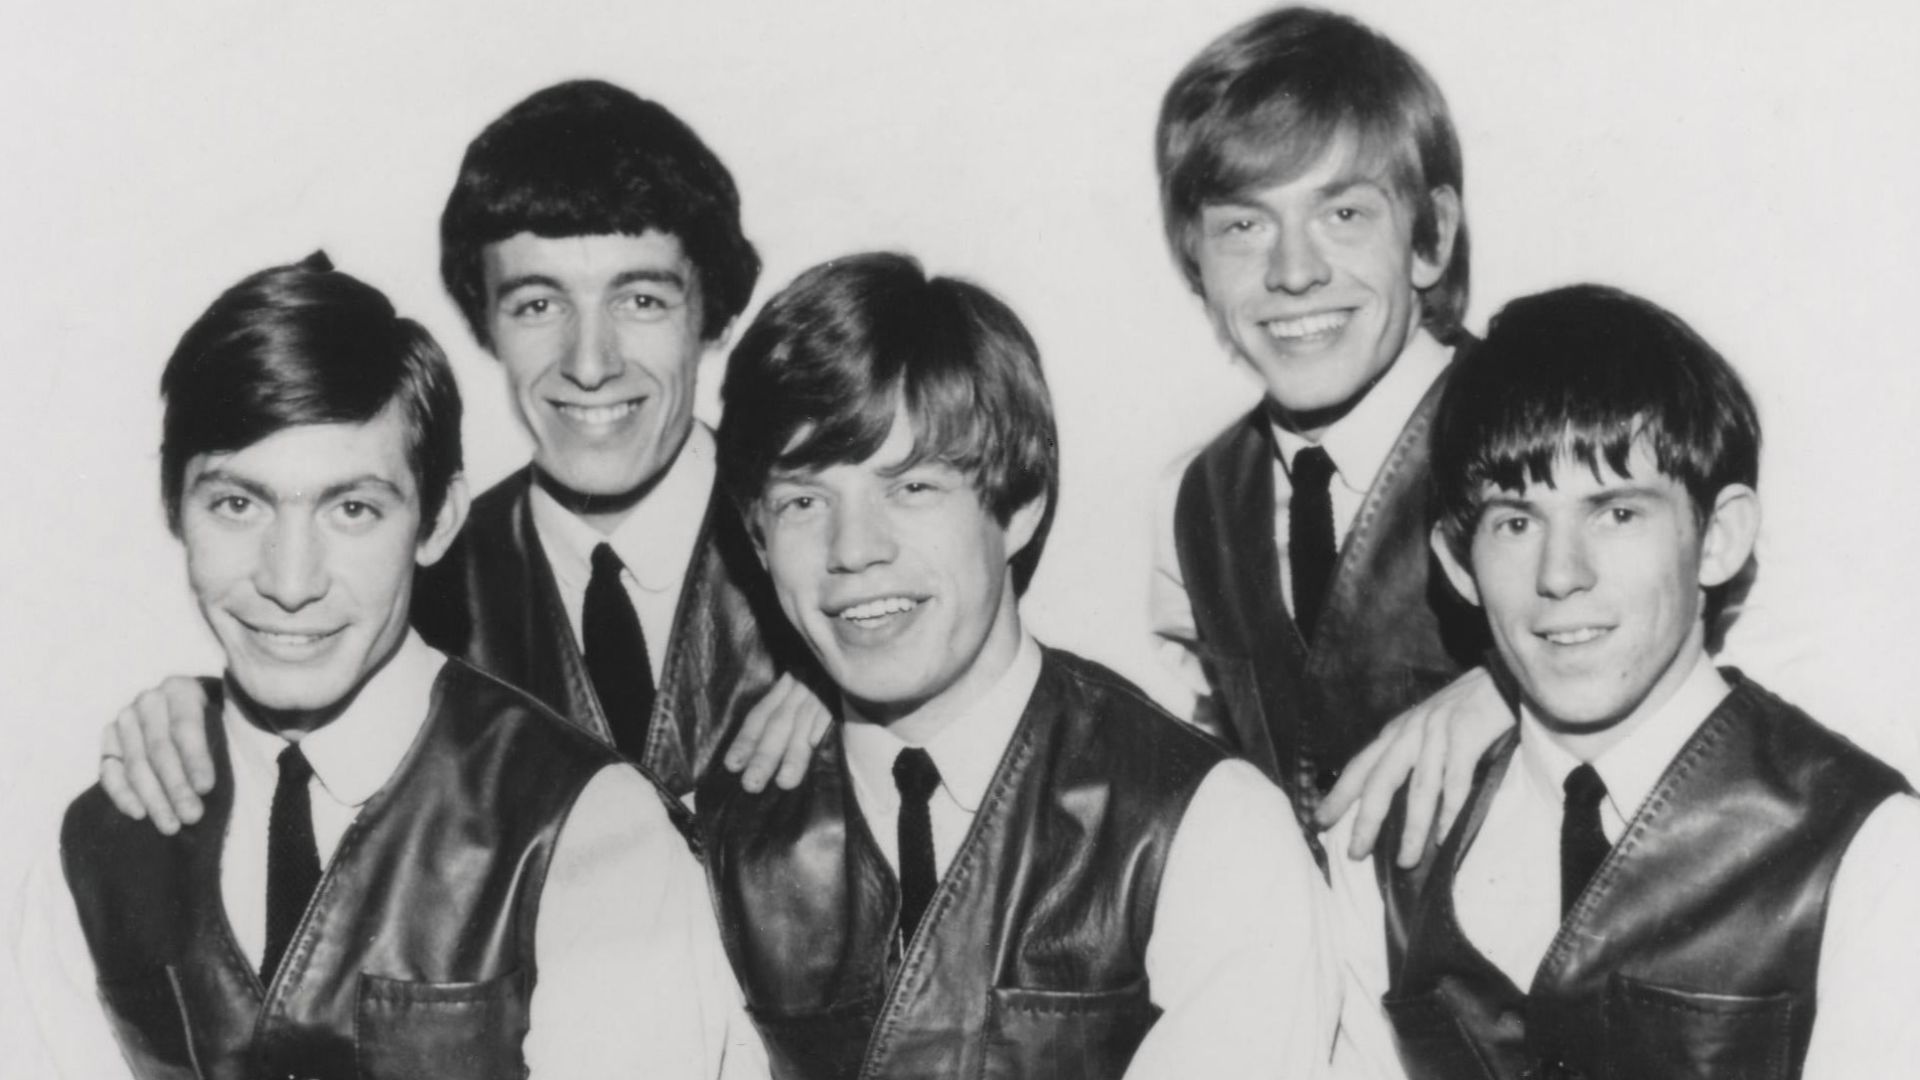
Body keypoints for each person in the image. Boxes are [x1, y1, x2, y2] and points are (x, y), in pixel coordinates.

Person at [22, 255, 764, 1078]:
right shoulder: (93, 846)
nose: (290, 582)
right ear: (174, 507)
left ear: (439, 520)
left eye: (352, 509)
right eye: (237, 504)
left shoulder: (592, 828)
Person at [96, 79, 827, 834]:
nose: (590, 363)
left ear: (714, 315)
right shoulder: (409, 573)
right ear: (485, 322)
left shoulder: (848, 554)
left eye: (641, 300)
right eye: (538, 304)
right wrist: (211, 716)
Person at [700, 253, 1336, 1079]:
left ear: (1020, 505)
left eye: (912, 487)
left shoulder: (1207, 828)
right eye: (802, 502)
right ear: (757, 538)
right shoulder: (717, 846)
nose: (853, 550)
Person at [1326, 285, 1920, 1080]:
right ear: (1459, 566)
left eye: (1617, 514)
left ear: (1718, 537)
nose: (1561, 573)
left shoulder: (1869, 851)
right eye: (1515, 522)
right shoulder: (1385, 841)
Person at [1148, 6, 1490, 850]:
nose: (1294, 272)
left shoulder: (1555, 432)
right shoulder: (1194, 502)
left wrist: (1517, 693)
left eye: (1343, 216)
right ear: (1194, 263)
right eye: (1244, 226)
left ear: (1431, 238)